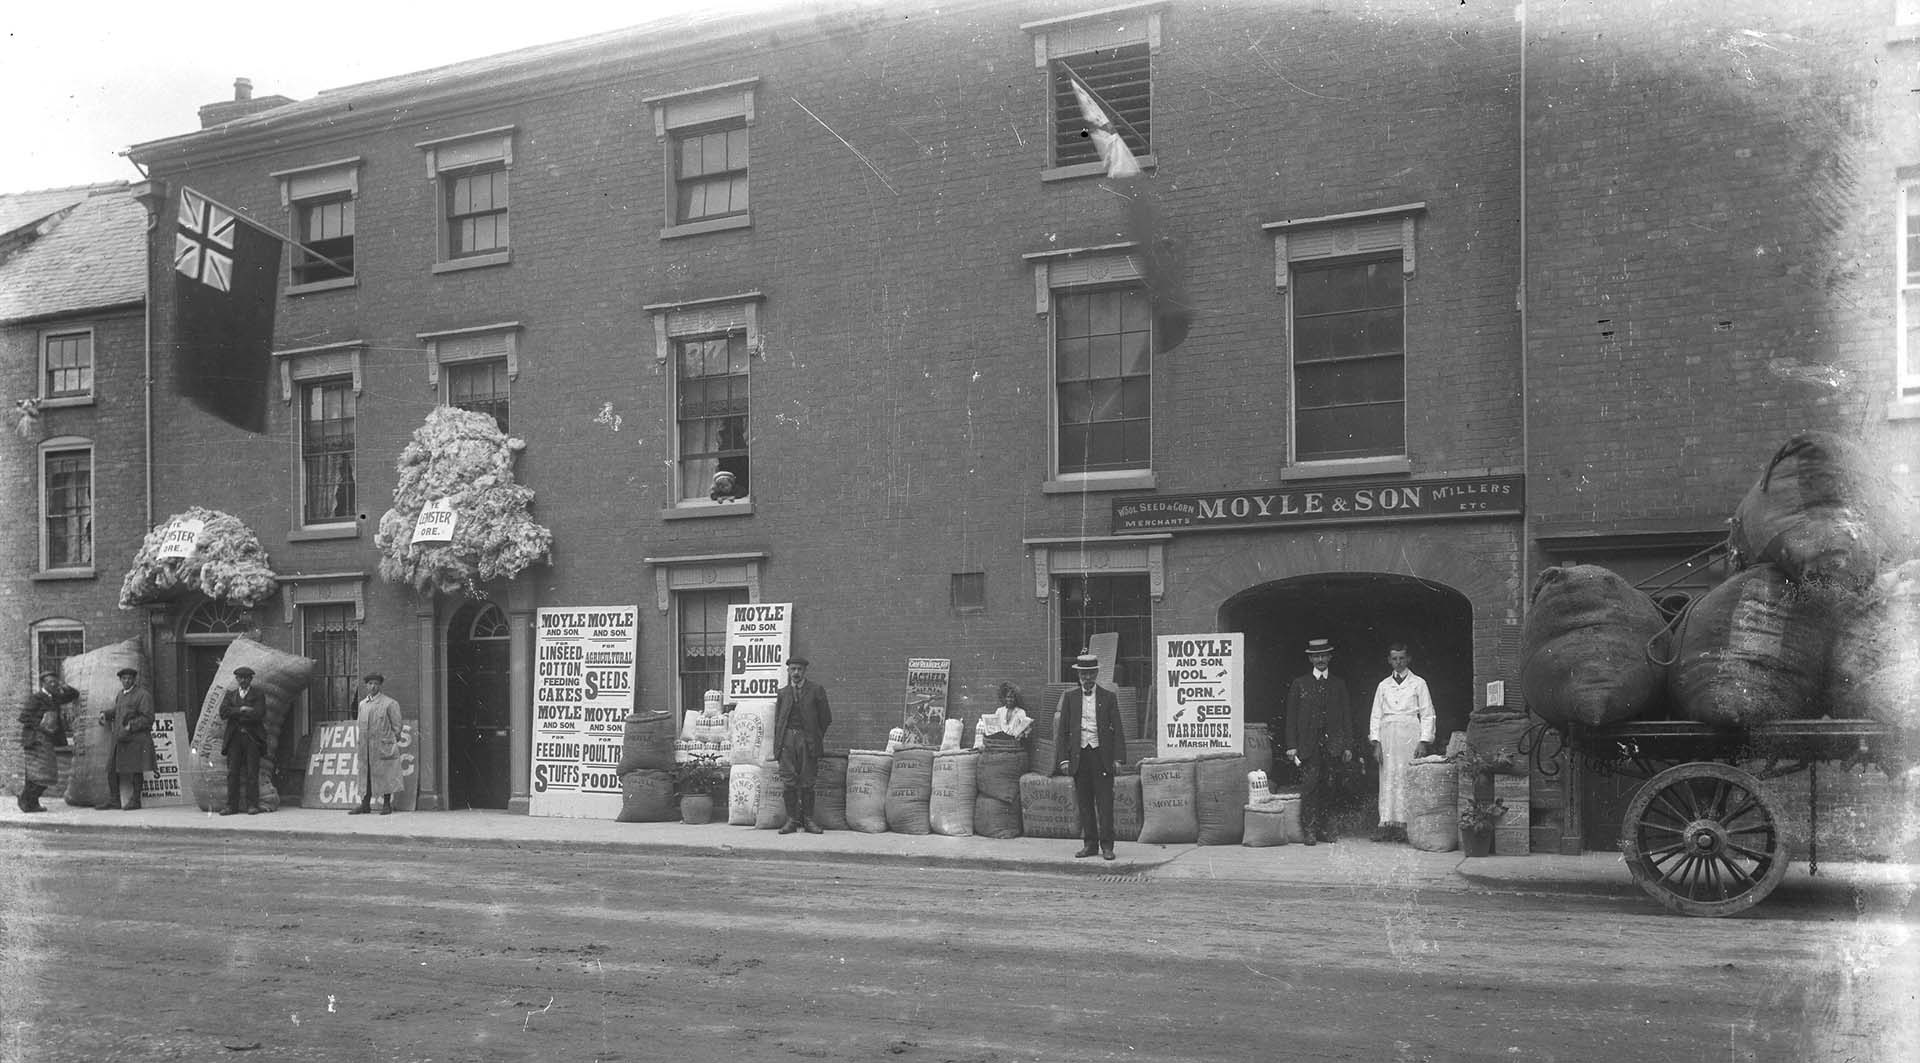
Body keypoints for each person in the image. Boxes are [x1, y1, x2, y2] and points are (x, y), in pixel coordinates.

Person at [1281, 637, 1354, 845]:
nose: (1320, 659)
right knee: (1310, 786)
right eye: (1316, 656)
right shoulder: (1300, 683)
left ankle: (1325, 829)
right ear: (1311, 659)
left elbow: (1347, 716)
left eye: (1324, 655)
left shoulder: (1338, 684)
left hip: (1332, 745)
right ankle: (1310, 830)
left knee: (1329, 787)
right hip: (1308, 746)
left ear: (1330, 657)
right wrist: (1291, 745)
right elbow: (1291, 717)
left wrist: (1348, 745)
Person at [1054, 652, 1126, 861]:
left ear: (1096, 674)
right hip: (1079, 757)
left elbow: (1118, 730)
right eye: (1083, 674)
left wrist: (1118, 759)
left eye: (1090, 674)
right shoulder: (1070, 697)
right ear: (1079, 675)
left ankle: (1107, 846)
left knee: (1105, 803)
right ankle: (1090, 845)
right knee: (1084, 803)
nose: (1086, 678)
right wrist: (1064, 759)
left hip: (1101, 756)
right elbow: (1063, 732)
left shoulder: (1108, 697)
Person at [1367, 643, 1435, 843]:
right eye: (1394, 659)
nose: (1398, 662)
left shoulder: (1419, 683)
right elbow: (1375, 715)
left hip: (1409, 734)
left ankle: (1407, 826)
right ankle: (1386, 824)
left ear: (1408, 659)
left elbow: (1428, 713)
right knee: (1388, 778)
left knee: (1407, 777)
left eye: (1401, 658)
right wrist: (1376, 742)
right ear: (1389, 660)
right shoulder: (1383, 685)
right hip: (1388, 736)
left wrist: (1423, 741)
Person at [773, 656, 831, 835]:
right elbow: (778, 721)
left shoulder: (816, 690)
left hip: (807, 740)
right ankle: (791, 821)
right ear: (788, 671)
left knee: (807, 782)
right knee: (789, 782)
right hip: (787, 740)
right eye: (793, 669)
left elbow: (826, 718)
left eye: (799, 669)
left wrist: (814, 736)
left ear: (805, 671)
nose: (796, 672)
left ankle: (808, 821)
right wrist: (782, 741)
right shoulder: (783, 693)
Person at [16, 672, 76, 813]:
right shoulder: (36, 698)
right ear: (43, 683)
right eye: (50, 682)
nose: (54, 684)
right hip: (35, 740)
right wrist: (41, 724)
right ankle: (27, 801)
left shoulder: (54, 698)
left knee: (44, 774)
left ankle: (29, 802)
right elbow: (24, 717)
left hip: (46, 741)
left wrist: (64, 685)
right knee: (38, 774)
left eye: (55, 682)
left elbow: (73, 695)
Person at [98, 667, 157, 811]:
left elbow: (148, 718)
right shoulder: (121, 694)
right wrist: (106, 714)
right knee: (112, 769)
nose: (127, 681)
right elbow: (119, 711)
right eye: (124, 678)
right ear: (120, 680)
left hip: (136, 739)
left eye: (130, 678)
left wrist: (131, 726)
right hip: (120, 738)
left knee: (136, 770)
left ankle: (136, 801)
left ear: (134, 679)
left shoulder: (143, 695)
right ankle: (114, 800)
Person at [350, 673, 405, 815]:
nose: (373, 686)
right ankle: (365, 804)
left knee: (386, 774)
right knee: (365, 774)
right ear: (366, 685)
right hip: (365, 748)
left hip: (382, 747)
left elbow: (397, 727)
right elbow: (359, 725)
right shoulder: (362, 704)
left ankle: (387, 805)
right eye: (370, 684)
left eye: (376, 684)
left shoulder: (389, 703)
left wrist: (389, 742)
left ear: (380, 686)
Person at [218, 666, 269, 816]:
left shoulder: (258, 694)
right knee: (232, 772)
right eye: (240, 677)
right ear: (236, 679)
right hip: (234, 738)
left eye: (246, 677)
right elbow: (223, 712)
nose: (243, 680)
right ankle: (231, 806)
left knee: (252, 772)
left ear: (251, 679)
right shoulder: (230, 695)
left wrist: (236, 713)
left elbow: (259, 714)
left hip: (252, 737)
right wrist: (242, 710)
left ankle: (252, 805)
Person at [972, 682, 1033, 749]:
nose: (1009, 700)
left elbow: (1025, 729)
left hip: (1013, 741)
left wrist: (1025, 732)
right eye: (1008, 697)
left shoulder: (1021, 712)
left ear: (1015, 699)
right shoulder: (999, 710)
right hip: (1000, 740)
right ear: (1004, 698)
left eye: (1012, 697)